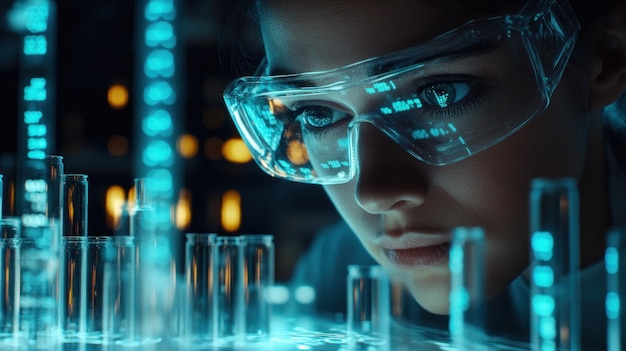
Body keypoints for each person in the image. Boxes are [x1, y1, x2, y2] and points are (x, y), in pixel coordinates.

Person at [222, 0, 626, 348]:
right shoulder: (339, 276)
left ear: (605, 56)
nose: (374, 193)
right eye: (318, 114)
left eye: (441, 92)